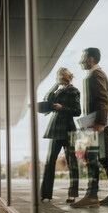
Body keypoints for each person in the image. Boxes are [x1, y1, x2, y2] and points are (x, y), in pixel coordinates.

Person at [71, 47, 108, 208]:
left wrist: (99, 123)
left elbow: (102, 100)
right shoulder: (93, 74)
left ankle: (92, 195)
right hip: (97, 123)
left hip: (99, 123)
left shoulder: (96, 74)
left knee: (92, 157)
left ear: (91, 59)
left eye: (83, 57)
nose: (81, 61)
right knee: (103, 157)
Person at [41, 67, 81, 203]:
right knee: (50, 161)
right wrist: (54, 85)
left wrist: (62, 108)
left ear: (64, 77)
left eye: (59, 77)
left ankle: (73, 194)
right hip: (56, 129)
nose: (58, 78)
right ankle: (46, 193)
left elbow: (77, 111)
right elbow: (46, 99)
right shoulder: (58, 90)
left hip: (68, 129)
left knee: (72, 162)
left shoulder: (73, 90)